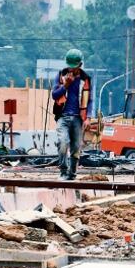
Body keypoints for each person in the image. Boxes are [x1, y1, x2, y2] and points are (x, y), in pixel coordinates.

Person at [51, 48, 92, 181]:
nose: (71, 70)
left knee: (75, 147)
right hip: (62, 116)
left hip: (78, 118)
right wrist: (65, 86)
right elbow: (54, 95)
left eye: (73, 67)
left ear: (80, 65)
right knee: (62, 143)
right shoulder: (61, 76)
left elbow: (89, 100)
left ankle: (72, 174)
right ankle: (63, 171)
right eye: (69, 66)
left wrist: (88, 117)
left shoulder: (85, 79)